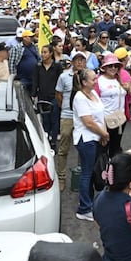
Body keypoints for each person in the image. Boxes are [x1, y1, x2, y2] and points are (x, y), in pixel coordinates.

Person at [72, 68, 109, 221]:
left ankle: (91, 202)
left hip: (96, 137)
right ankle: (84, 208)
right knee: (86, 173)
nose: (96, 81)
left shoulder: (94, 94)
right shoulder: (80, 97)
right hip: (86, 139)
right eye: (93, 79)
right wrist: (103, 134)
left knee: (93, 172)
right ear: (84, 82)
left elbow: (101, 116)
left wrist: (103, 132)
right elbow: (88, 122)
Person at [54, 53, 80, 191]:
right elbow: (58, 95)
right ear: (73, 62)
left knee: (82, 147)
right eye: (77, 60)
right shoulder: (64, 76)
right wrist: (64, 107)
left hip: (82, 117)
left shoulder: (87, 76)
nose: (80, 63)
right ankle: (61, 177)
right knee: (63, 147)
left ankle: (79, 176)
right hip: (67, 115)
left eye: (82, 60)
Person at [97, 53, 130, 157]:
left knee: (115, 148)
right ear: (104, 67)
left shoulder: (119, 80)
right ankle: (102, 172)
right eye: (110, 66)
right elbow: (95, 103)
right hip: (105, 120)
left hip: (120, 120)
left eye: (116, 66)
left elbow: (127, 97)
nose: (113, 68)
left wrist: (127, 89)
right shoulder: (98, 81)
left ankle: (113, 172)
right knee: (103, 150)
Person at [32, 44, 63, 147]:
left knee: (54, 119)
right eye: (42, 52)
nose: (43, 54)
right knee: (45, 120)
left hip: (54, 97)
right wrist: (33, 95)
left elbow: (60, 82)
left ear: (50, 53)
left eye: (45, 52)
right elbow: (35, 82)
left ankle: (53, 141)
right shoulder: (38, 67)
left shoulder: (57, 67)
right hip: (42, 97)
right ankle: (46, 141)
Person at [9, 29, 41, 93]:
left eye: (32, 37)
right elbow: (12, 63)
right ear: (24, 38)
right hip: (22, 78)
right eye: (30, 37)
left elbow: (39, 58)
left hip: (34, 77)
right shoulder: (17, 48)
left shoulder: (34, 46)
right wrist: (14, 76)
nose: (32, 38)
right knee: (22, 94)